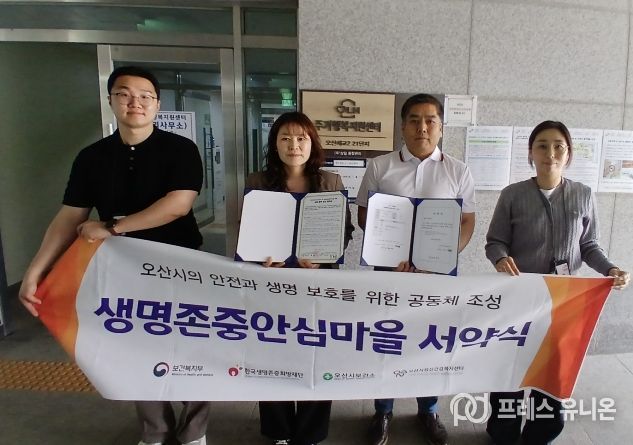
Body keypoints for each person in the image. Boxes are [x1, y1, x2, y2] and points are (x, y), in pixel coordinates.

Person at [18, 66, 209, 445]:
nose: (135, 102)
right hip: (121, 271)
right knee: (133, 348)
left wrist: (112, 227)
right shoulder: (92, 157)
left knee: (192, 346)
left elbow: (178, 205)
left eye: (145, 96)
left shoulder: (181, 149)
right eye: (124, 94)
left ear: (157, 104)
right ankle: (155, 431)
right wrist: (35, 271)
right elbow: (70, 216)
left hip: (179, 268)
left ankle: (194, 431)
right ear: (111, 101)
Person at [485, 120, 630, 445]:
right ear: (530, 153)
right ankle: (503, 433)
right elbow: (495, 241)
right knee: (511, 369)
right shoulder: (512, 195)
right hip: (520, 298)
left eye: (558, 146)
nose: (550, 153)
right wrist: (500, 258)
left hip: (564, 301)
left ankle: (540, 435)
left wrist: (610, 269)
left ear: (568, 154)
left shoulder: (583, 194)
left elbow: (589, 246)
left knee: (552, 372)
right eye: (542, 145)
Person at [356, 94, 476, 445]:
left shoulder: (458, 170)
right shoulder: (380, 166)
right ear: (402, 126)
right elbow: (364, 214)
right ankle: (383, 410)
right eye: (414, 120)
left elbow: (467, 221)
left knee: (431, 341)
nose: (422, 127)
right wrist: (387, 252)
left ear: (441, 127)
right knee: (387, 339)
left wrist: (443, 256)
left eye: (430, 120)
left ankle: (429, 409)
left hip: (436, 277)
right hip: (389, 273)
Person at [244, 111, 354, 445]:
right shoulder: (257, 181)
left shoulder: (331, 182)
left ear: (312, 143)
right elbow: (248, 230)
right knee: (271, 351)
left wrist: (322, 259)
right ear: (275, 144)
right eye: (286, 138)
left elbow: (345, 230)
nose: (294, 145)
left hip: (318, 284)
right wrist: (260, 257)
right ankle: (279, 431)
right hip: (272, 284)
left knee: (316, 352)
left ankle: (310, 433)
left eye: (301, 138)